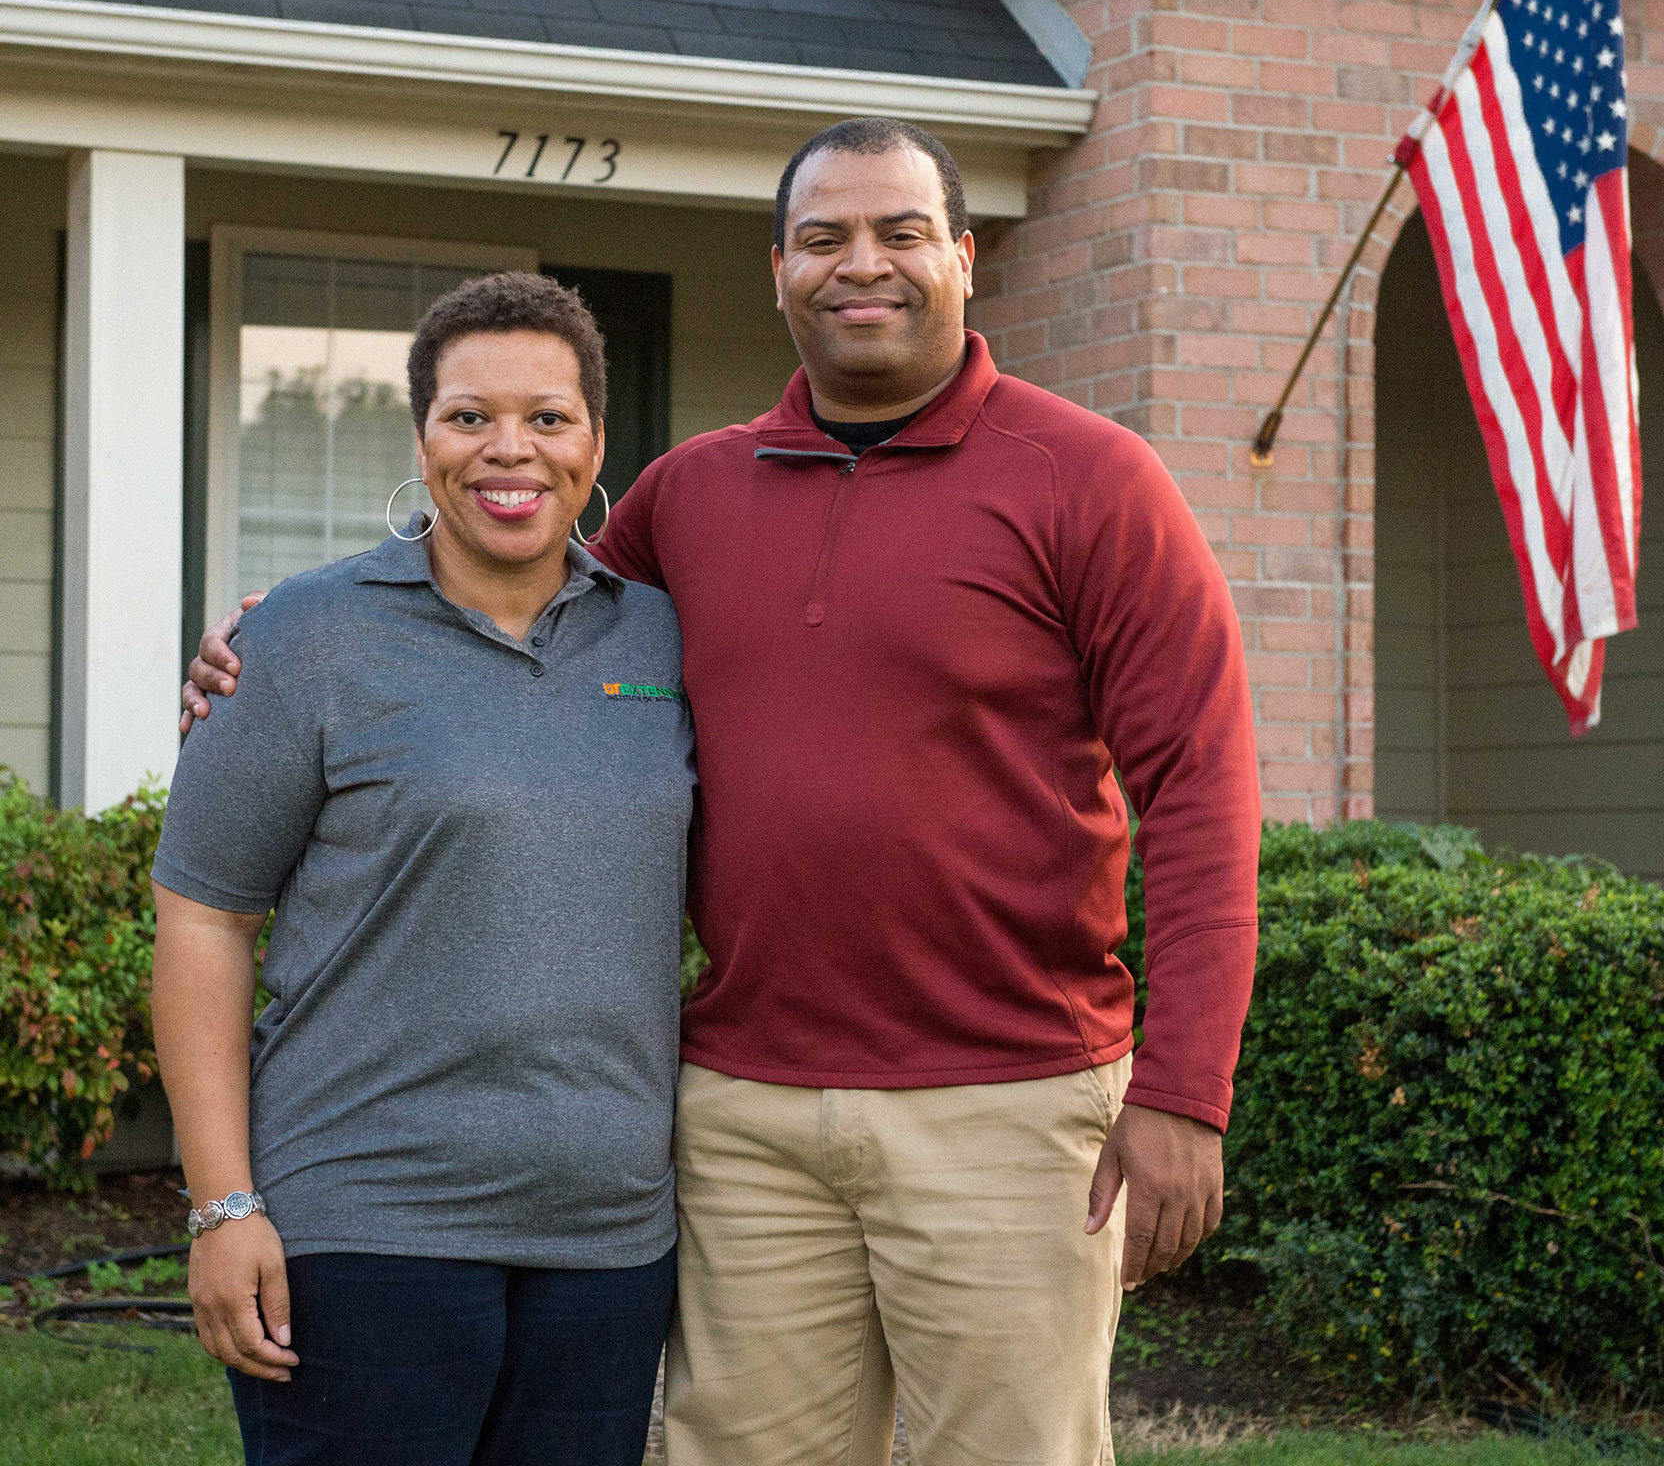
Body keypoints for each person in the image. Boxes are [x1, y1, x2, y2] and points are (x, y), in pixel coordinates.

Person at [186, 118, 1260, 1466]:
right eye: (823, 239)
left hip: (1009, 1101)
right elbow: (520, 587)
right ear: (778, 271)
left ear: (966, 259)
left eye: (900, 232)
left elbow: (1204, 793)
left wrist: (1186, 1092)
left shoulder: (1094, 484)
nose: (860, 264)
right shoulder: (690, 496)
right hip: (743, 1114)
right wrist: (286, 636)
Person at [155, 273, 695, 1466]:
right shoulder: (301, 637)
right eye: (469, 415)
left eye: (549, 417)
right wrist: (222, 1204)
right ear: (422, 435)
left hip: (606, 1237)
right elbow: (203, 916)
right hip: (362, 1221)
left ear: (597, 440)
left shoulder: (663, 637)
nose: (510, 449)